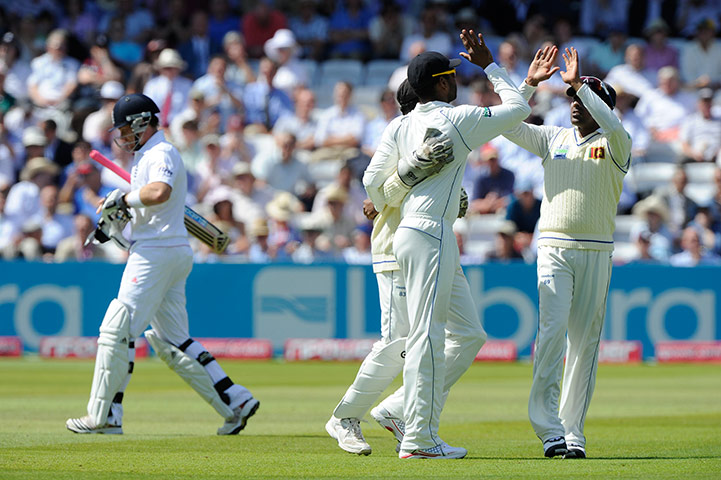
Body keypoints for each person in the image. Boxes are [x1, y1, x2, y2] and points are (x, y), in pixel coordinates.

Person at [362, 31, 530, 459]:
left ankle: (398, 411)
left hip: (419, 235)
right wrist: (490, 64)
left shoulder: (398, 124)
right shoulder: (458, 120)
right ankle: (419, 439)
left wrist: (387, 200)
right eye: (451, 76)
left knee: (470, 334)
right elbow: (519, 109)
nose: (456, 82)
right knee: (426, 337)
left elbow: (370, 182)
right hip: (430, 235)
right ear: (440, 84)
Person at [66, 93, 259, 435]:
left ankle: (103, 415)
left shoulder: (161, 152)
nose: (122, 137)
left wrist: (123, 198)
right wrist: (118, 223)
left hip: (156, 254)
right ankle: (235, 400)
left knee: (116, 328)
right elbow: (151, 210)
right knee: (174, 342)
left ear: (142, 123)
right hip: (165, 249)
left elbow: (159, 193)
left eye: (125, 129)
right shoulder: (145, 156)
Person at [502, 46, 632, 459]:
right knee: (551, 335)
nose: (575, 105)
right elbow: (506, 126)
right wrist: (524, 84)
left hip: (596, 252)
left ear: (603, 105)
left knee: (584, 345)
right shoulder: (553, 138)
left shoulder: (617, 143)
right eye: (572, 99)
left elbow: (612, 124)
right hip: (553, 248)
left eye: (583, 99)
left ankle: (573, 432)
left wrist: (580, 83)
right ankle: (549, 430)